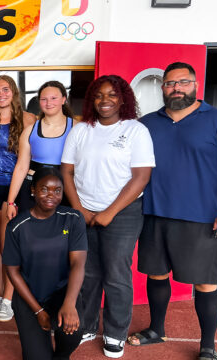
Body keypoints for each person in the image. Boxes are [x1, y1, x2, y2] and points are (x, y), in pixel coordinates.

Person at [129, 62, 217, 360]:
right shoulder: (148, 123)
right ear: (162, 88)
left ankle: (207, 346)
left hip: (200, 217)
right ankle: (156, 329)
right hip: (154, 212)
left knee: (205, 282)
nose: (176, 88)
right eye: (170, 83)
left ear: (195, 85)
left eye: (183, 82)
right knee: (157, 274)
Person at [61, 75, 154, 358]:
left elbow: (141, 178)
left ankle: (115, 333)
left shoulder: (136, 131)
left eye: (112, 95)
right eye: (99, 95)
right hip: (84, 210)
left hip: (123, 214)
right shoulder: (81, 130)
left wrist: (109, 213)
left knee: (115, 273)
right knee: (87, 272)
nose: (105, 100)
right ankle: (88, 324)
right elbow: (66, 171)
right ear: (92, 100)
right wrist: (80, 209)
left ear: (123, 99)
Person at [3, 167, 87, 360]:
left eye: (57, 190)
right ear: (33, 190)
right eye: (44, 189)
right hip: (30, 297)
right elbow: (13, 272)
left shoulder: (73, 219)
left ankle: (61, 356)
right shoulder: (17, 226)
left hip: (61, 293)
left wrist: (69, 304)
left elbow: (78, 264)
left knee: (73, 330)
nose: (51, 195)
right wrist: (39, 311)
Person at [0, 75, 35, 322]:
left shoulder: (29, 119)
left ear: (14, 92)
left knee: (8, 244)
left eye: (6, 89)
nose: (1, 94)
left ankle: (10, 299)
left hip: (14, 188)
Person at [6, 80, 76, 220]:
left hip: (65, 189)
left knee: (61, 236)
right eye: (44, 99)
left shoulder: (77, 128)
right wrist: (11, 202)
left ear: (63, 99)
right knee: (30, 235)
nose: (48, 103)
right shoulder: (30, 130)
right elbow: (21, 167)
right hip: (33, 189)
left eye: (53, 98)